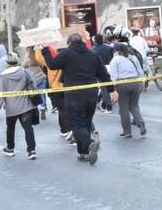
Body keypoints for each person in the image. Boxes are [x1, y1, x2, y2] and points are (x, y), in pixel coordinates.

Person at [41, 33, 111, 165]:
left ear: (69, 43)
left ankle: (90, 144)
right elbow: (103, 75)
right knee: (85, 123)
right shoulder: (93, 55)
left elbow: (52, 64)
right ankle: (83, 153)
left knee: (76, 125)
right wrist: (112, 90)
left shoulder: (67, 54)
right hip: (91, 95)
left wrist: (45, 50)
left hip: (74, 95)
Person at [0, 52, 37, 159]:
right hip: (26, 105)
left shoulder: (2, 77)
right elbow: (33, 85)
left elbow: (0, 94)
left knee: (10, 128)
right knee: (28, 128)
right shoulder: (24, 72)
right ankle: (31, 150)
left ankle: (10, 148)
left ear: (7, 63)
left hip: (11, 107)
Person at [107, 43, 146, 138]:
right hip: (135, 82)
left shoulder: (115, 60)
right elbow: (140, 71)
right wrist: (142, 83)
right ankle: (140, 122)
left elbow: (114, 76)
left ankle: (127, 131)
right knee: (134, 106)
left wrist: (113, 88)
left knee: (123, 108)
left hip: (122, 84)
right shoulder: (132, 57)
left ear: (116, 51)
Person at [35, 46, 69, 139]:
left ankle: (64, 129)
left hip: (56, 88)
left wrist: (38, 47)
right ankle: (67, 129)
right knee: (66, 109)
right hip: (68, 87)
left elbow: (38, 58)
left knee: (61, 109)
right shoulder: (68, 59)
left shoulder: (51, 61)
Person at [92, 34, 114, 113]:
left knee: (104, 89)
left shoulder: (93, 50)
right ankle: (104, 104)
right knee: (109, 87)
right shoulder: (109, 48)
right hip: (111, 67)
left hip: (101, 69)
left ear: (95, 40)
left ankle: (108, 106)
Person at [24, 49, 48, 118]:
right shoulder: (38, 59)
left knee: (33, 95)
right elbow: (43, 66)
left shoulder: (27, 61)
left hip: (32, 79)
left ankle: (35, 110)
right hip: (41, 77)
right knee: (42, 94)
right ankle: (43, 109)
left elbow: (23, 65)